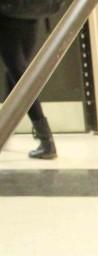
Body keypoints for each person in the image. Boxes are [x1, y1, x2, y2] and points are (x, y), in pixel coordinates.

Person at [0, 1, 60, 159]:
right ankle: (5, 127)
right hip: (32, 12)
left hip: (6, 14)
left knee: (19, 74)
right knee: (17, 74)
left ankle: (46, 139)